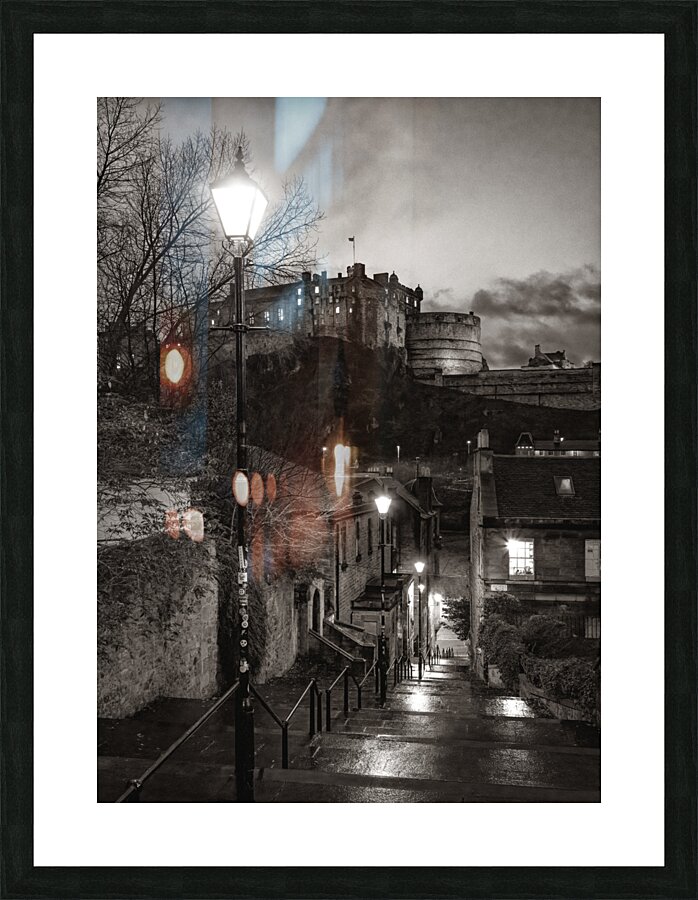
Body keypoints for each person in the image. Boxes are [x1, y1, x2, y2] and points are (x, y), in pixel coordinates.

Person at [377, 633, 390, 707]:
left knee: (383, 681)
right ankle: (382, 697)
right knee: (382, 681)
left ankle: (383, 697)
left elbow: (385, 654)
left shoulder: (384, 646)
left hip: (384, 665)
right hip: (382, 666)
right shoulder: (381, 647)